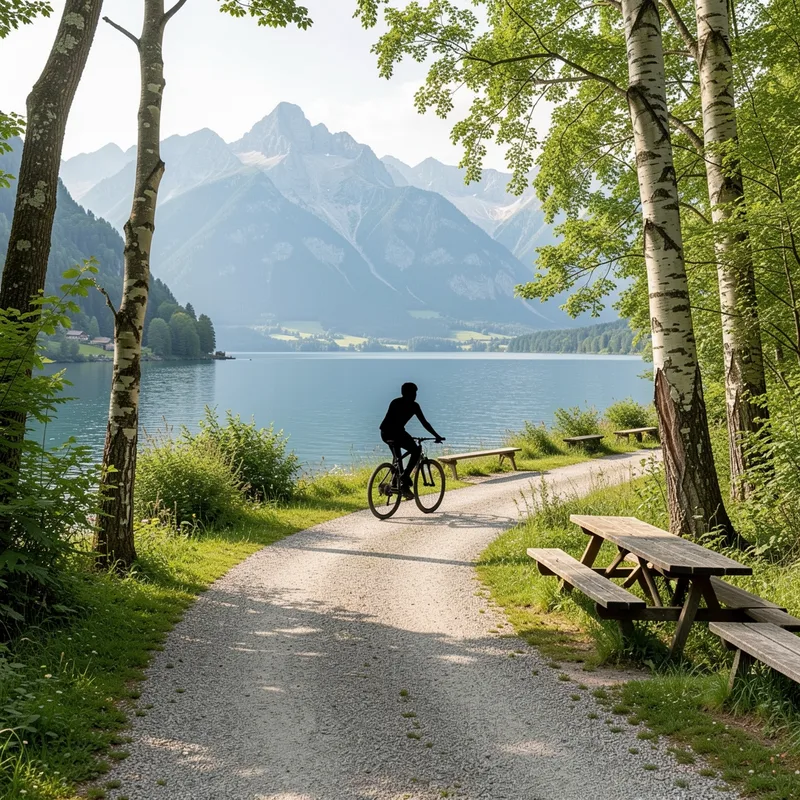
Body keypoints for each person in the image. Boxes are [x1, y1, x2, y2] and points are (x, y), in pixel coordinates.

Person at [380, 382, 444, 498]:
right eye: (413, 393)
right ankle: (404, 478)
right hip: (396, 433)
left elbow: (424, 423)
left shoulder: (395, 402)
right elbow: (424, 423)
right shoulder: (414, 406)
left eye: (415, 393)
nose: (415, 395)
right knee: (415, 451)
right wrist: (437, 436)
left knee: (397, 458)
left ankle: (394, 482)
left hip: (385, 433)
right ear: (406, 394)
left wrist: (436, 434)